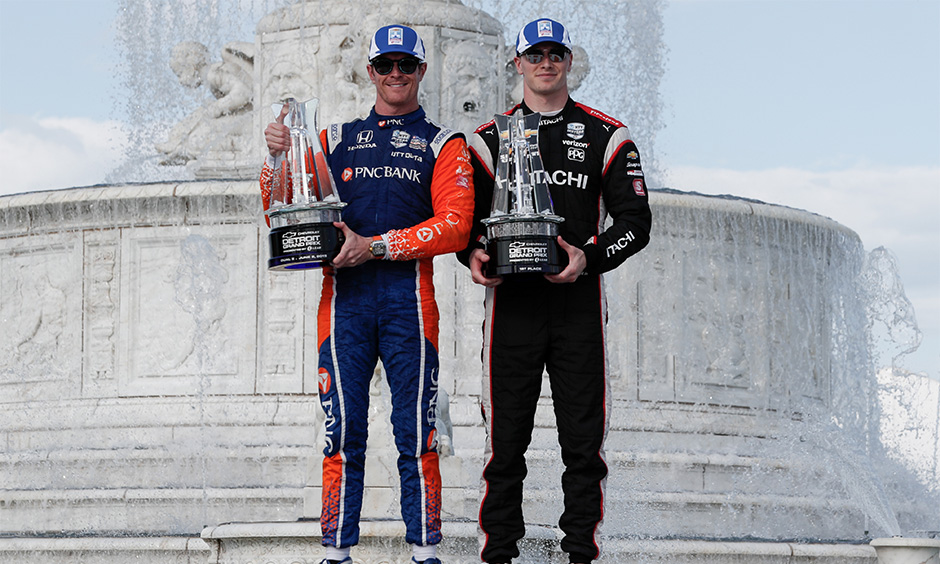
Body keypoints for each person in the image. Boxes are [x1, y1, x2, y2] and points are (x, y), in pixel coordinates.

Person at [260, 24, 474, 564]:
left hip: (409, 303)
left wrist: (375, 247)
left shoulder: (444, 141)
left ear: (422, 71)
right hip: (344, 305)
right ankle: (336, 551)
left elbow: (456, 225)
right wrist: (277, 159)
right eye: (386, 65)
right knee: (341, 434)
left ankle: (426, 551)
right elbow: (281, 208)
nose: (396, 74)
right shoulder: (334, 139)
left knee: (418, 434)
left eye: (406, 65)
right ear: (371, 71)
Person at [456, 18, 653, 564]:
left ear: (569, 61)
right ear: (516, 63)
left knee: (584, 449)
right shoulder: (487, 138)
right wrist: (470, 255)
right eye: (534, 54)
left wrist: (588, 257)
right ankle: (498, 555)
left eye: (555, 53)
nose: (546, 62)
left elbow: (636, 222)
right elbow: (465, 224)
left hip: (578, 309)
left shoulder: (607, 134)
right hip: (511, 313)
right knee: (504, 450)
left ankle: (581, 556)